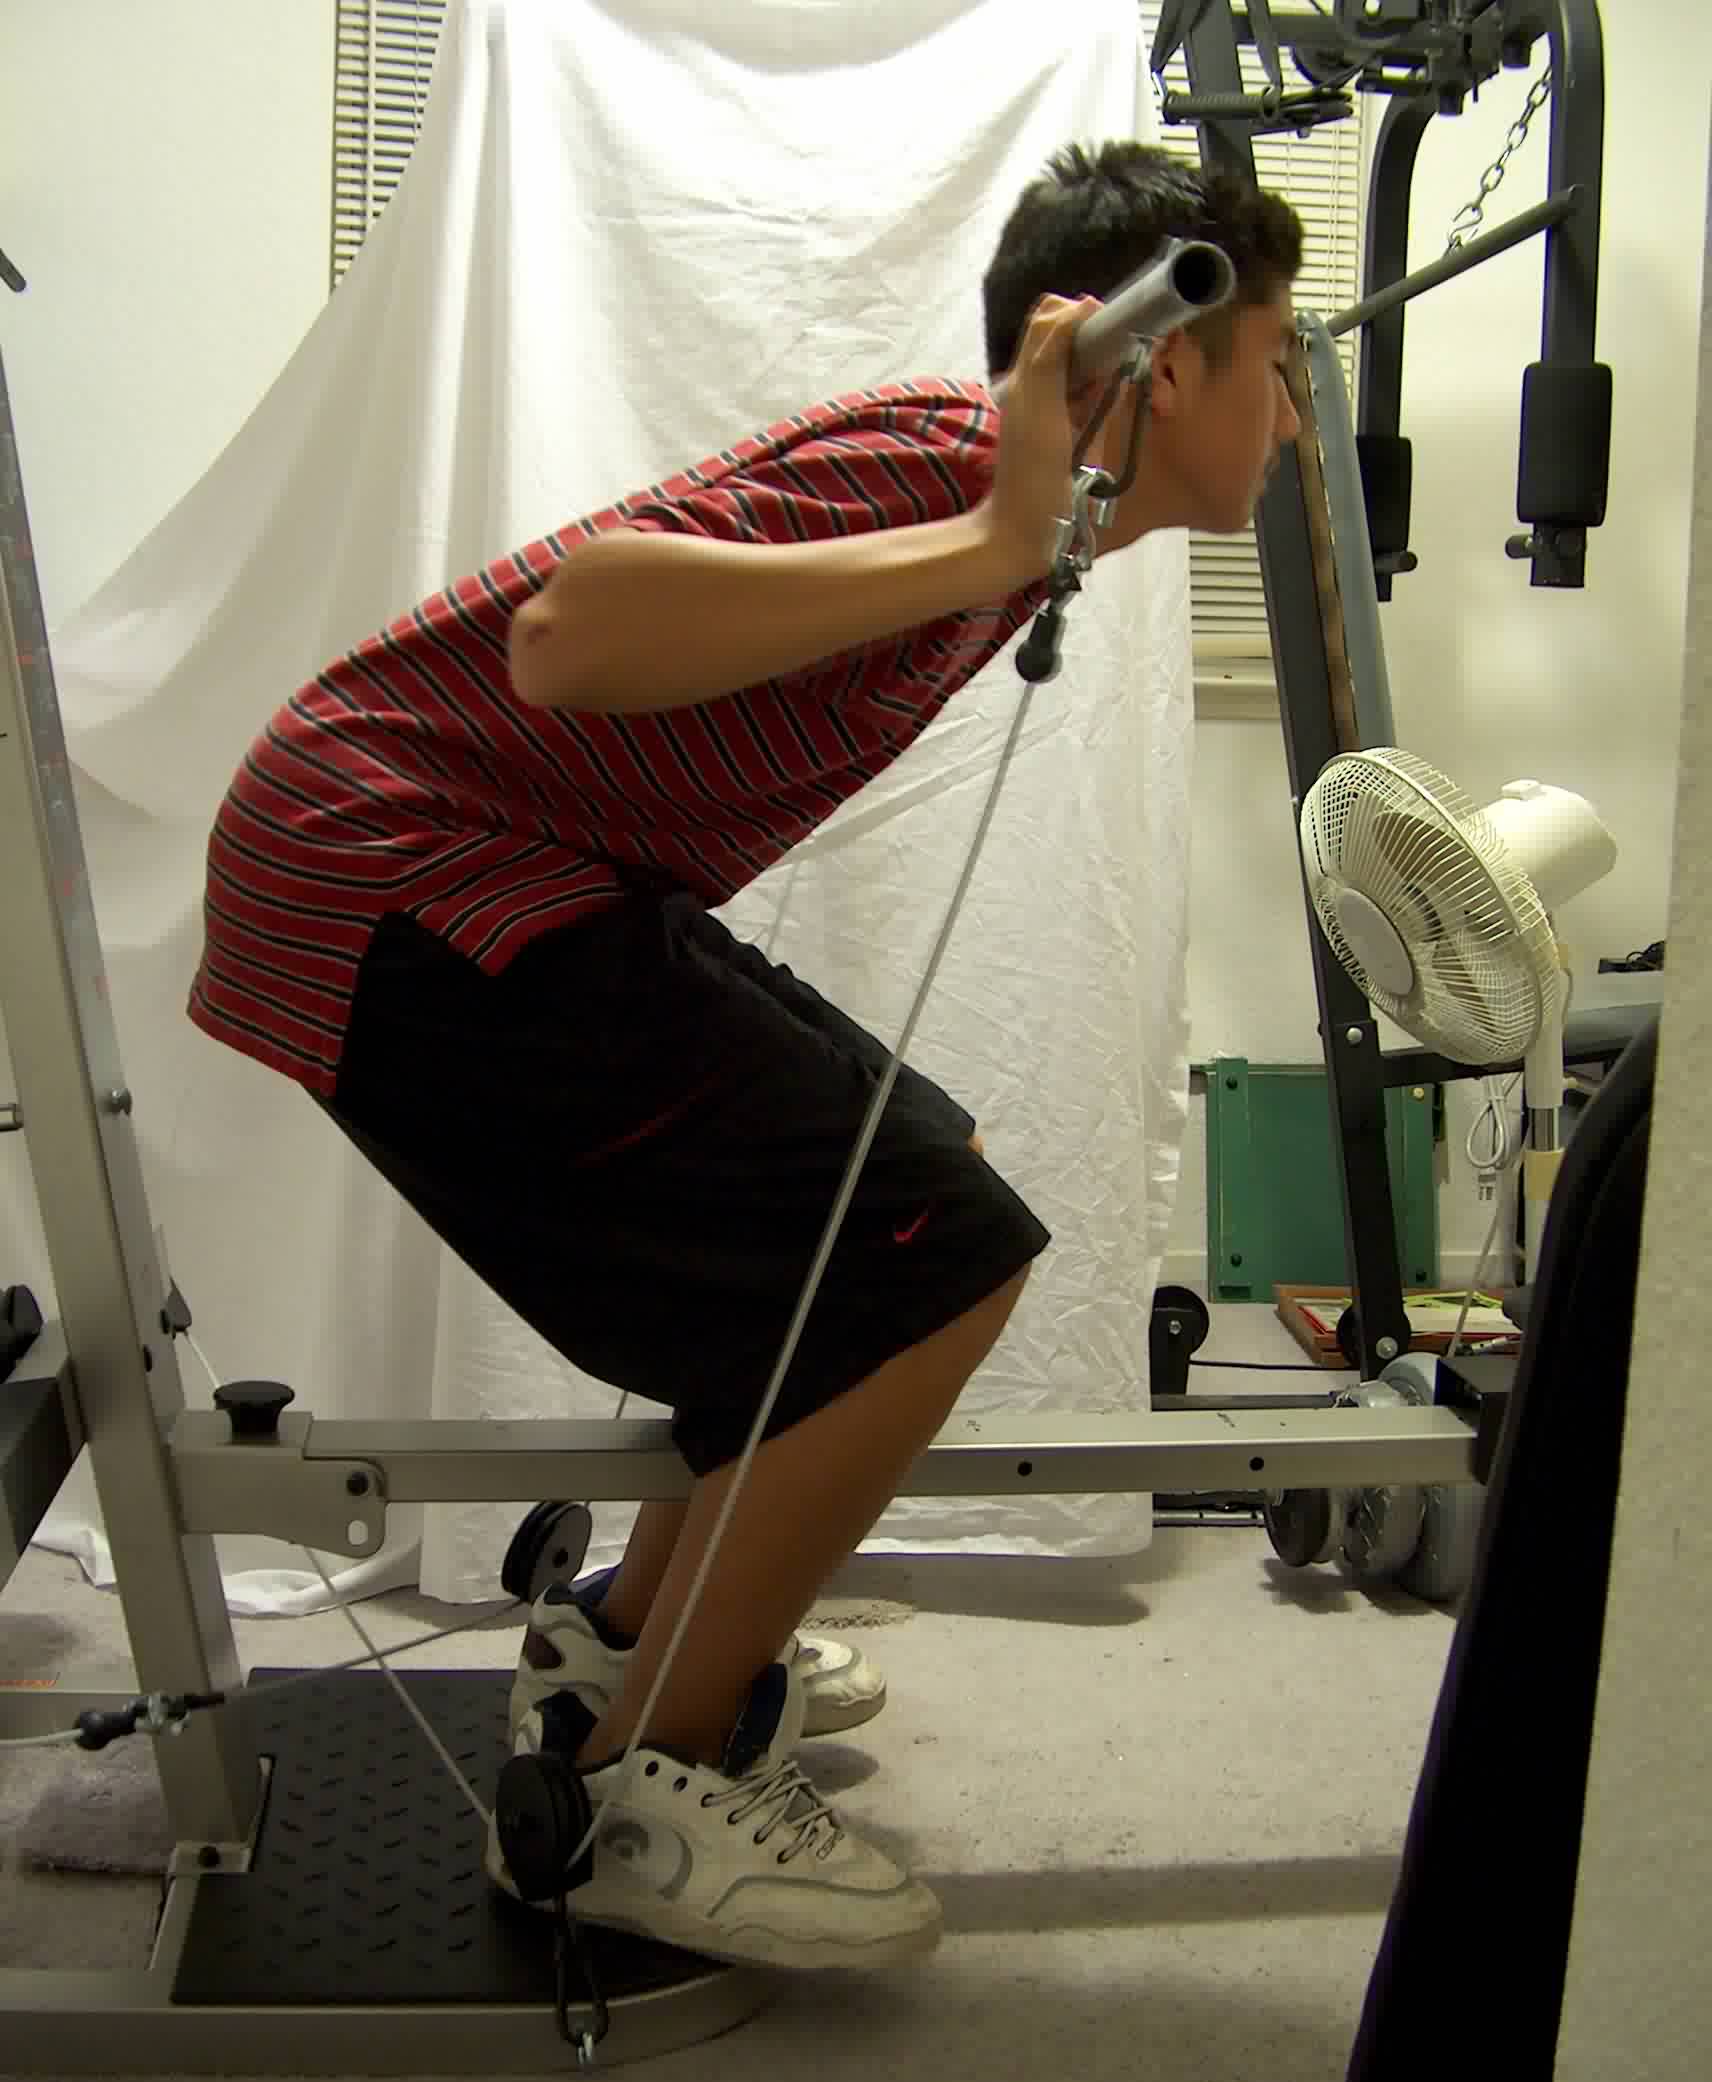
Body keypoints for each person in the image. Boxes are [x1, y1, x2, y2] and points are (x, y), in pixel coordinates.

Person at [187, 142, 1303, 1974]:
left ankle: (632, 1648)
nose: (1296, 411)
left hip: (499, 872)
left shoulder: (994, 504)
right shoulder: (951, 472)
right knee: (935, 1255)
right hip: (397, 872)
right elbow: (568, 638)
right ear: (1166, 362)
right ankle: (643, 1794)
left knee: (905, 1185)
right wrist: (995, 536)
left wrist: (1010, 545)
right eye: (1281, 359)